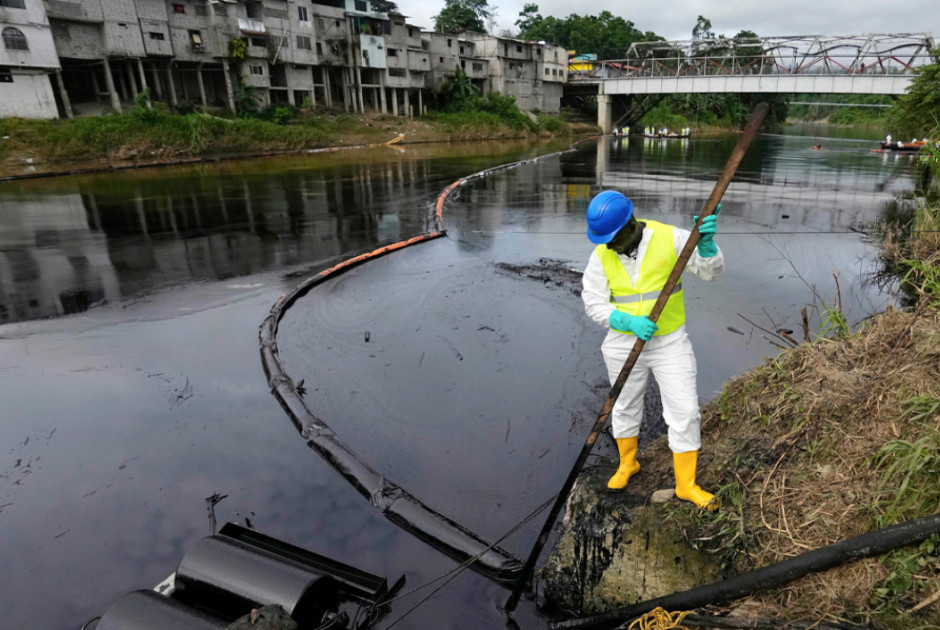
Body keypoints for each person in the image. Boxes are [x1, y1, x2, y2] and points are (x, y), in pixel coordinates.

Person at [581, 190, 723, 510]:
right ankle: (628, 463)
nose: (608, 245)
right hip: (622, 342)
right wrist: (625, 321)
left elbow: (711, 273)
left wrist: (706, 245)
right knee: (625, 405)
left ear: (630, 224)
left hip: (669, 341)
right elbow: (592, 302)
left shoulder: (671, 238)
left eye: (613, 238)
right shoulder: (601, 254)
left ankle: (686, 484)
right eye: (603, 239)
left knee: (684, 411)